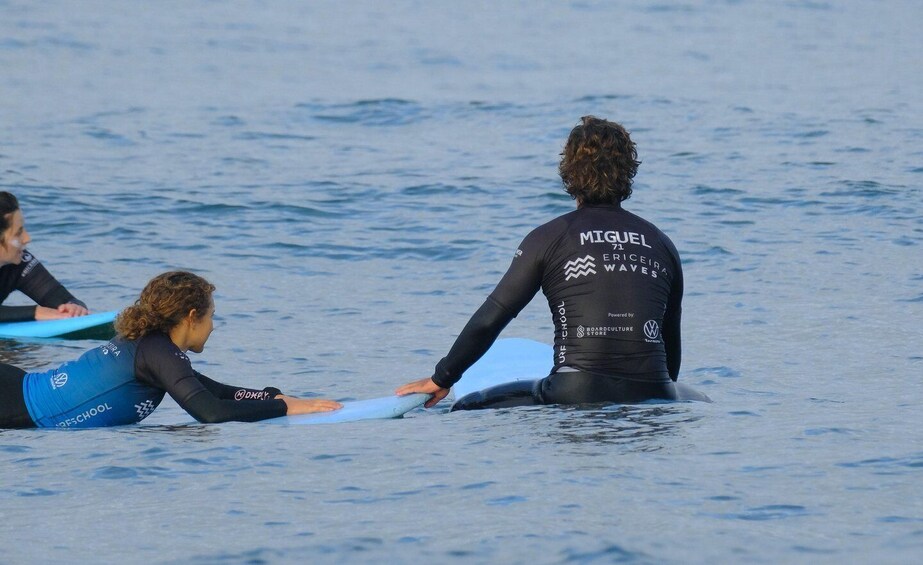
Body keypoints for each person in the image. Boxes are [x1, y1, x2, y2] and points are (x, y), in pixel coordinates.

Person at [397, 116, 693, 410]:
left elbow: (491, 319)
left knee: (463, 407)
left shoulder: (550, 237)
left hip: (576, 390)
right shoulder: (661, 243)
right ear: (629, 171)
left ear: (569, 171)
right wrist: (660, 398)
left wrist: (442, 377)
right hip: (656, 392)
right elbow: (670, 346)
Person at [0, 271, 341, 428]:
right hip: (11, 400)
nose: (213, 326)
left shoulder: (156, 351)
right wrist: (281, 409)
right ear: (192, 317)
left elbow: (217, 392)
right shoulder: (158, 352)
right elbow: (211, 413)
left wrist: (278, 398)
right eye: (211, 317)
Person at [0, 191, 90, 322]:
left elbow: (58, 296)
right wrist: (35, 312)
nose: (27, 238)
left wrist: (73, 308)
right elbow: (37, 313)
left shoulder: (18, 263)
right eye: (18, 232)